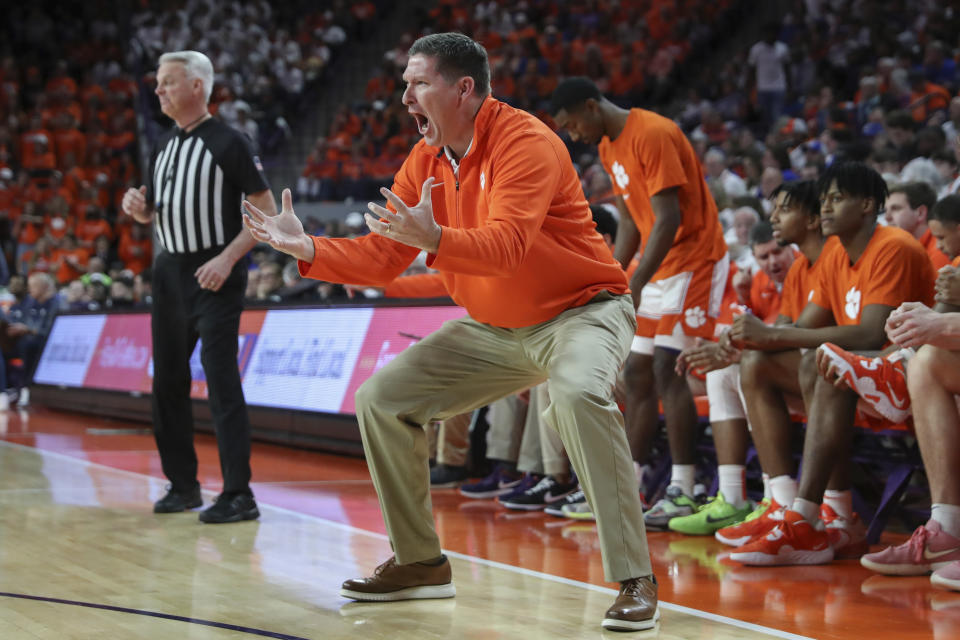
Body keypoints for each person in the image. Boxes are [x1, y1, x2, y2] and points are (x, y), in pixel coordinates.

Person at [244, 33, 657, 631]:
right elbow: (384, 257)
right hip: (496, 328)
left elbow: (507, 247)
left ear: (463, 89)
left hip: (583, 310)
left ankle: (635, 578)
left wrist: (433, 239)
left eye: (417, 83)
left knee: (576, 392)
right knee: (382, 400)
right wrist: (308, 246)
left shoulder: (526, 142)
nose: (404, 95)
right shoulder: (425, 159)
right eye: (404, 83)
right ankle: (419, 564)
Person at [723, 162, 935, 565]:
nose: (825, 208)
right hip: (855, 376)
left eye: (837, 199)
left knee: (820, 364)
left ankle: (820, 517)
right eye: (823, 200)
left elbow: (872, 334)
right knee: (757, 363)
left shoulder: (893, 245)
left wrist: (771, 335)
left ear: (869, 204)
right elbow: (802, 328)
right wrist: (749, 337)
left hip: (903, 376)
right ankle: (790, 507)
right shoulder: (837, 253)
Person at [549, 76, 729, 530]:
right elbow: (630, 225)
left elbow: (669, 219)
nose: (575, 137)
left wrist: (636, 283)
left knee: (671, 368)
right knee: (636, 371)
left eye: (573, 125)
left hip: (695, 258)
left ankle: (684, 490)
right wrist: (609, 277)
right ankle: (623, 489)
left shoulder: (654, 132)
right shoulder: (610, 147)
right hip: (660, 267)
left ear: (592, 106)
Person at [120, 50, 278, 524]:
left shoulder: (230, 141)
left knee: (220, 379)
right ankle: (183, 485)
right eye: (158, 83)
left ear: (196, 86)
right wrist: (140, 210)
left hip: (217, 273)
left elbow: (266, 214)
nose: (158, 90)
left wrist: (228, 259)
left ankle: (238, 493)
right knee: (166, 382)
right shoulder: (162, 146)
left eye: (167, 82)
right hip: (169, 273)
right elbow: (158, 210)